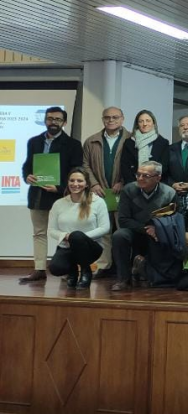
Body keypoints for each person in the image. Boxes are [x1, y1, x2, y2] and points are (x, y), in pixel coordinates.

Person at [21, 106, 83, 283]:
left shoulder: (73, 144)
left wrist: (60, 187)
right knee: (39, 232)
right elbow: (27, 165)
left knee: (65, 234)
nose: (53, 122)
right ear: (45, 120)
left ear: (64, 122)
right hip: (37, 194)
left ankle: (65, 269)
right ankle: (39, 268)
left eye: (57, 119)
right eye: (50, 119)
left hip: (61, 195)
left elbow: (76, 171)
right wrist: (28, 176)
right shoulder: (34, 141)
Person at [110, 161, 177, 292]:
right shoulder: (128, 190)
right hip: (135, 231)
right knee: (119, 235)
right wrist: (146, 229)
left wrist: (157, 229)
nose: (140, 178)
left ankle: (152, 274)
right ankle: (123, 279)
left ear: (158, 177)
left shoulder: (169, 193)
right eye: (138, 174)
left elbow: (173, 219)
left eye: (145, 176)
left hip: (159, 232)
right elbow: (123, 220)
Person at [82, 106, 130, 276]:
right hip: (99, 192)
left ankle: (124, 268)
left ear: (122, 119)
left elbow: (135, 164)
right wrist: (94, 184)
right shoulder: (91, 141)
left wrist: (123, 182)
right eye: (107, 117)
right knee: (103, 230)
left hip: (122, 193)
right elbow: (85, 165)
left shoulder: (131, 139)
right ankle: (104, 266)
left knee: (123, 230)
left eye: (115, 117)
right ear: (103, 119)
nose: (111, 120)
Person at [46, 167, 108, 289]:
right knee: (55, 268)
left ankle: (86, 271)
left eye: (80, 181)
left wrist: (79, 237)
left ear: (86, 184)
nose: (75, 184)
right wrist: (65, 236)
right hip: (67, 246)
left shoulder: (98, 202)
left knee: (77, 236)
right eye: (72, 180)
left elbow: (105, 227)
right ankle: (72, 272)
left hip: (91, 247)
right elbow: (51, 230)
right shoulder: (59, 203)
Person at [120, 109, 170, 185]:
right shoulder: (129, 142)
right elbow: (124, 166)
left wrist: (151, 181)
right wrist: (133, 184)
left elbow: (164, 166)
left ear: (153, 123)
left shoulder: (163, 142)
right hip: (133, 184)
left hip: (156, 185)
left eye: (148, 121)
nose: (145, 124)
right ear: (137, 124)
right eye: (141, 121)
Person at [166, 115, 188, 224]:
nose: (185, 127)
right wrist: (172, 184)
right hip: (174, 198)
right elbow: (164, 173)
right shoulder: (170, 149)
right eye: (182, 125)